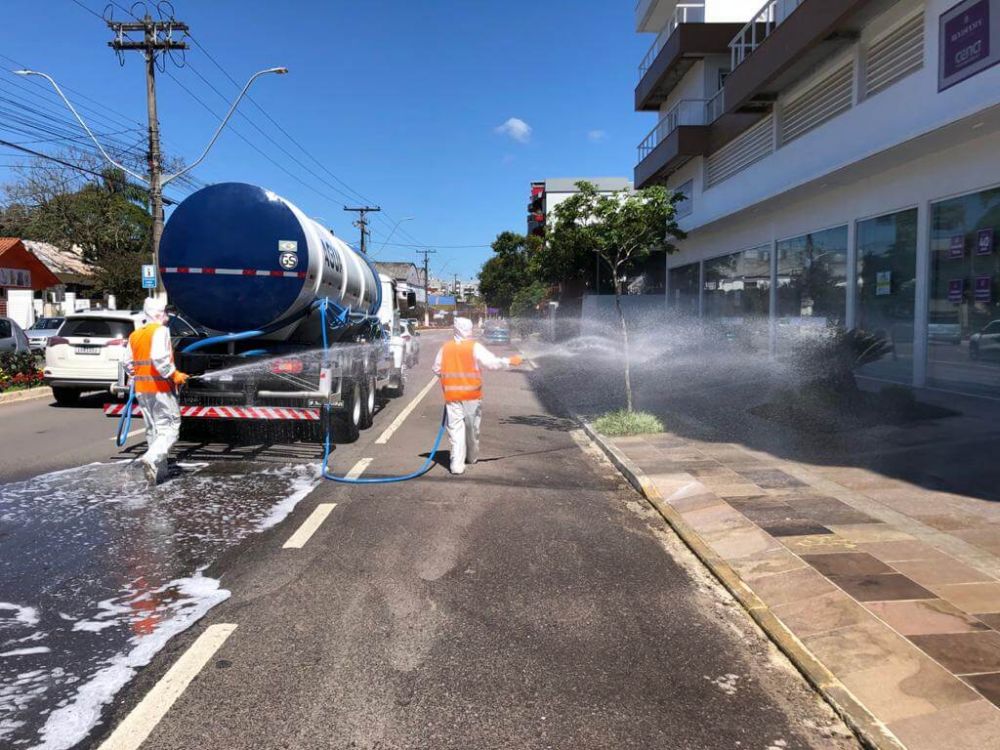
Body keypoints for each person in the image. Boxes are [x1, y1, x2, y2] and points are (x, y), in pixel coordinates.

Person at [433, 317, 522, 475]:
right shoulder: (474, 347)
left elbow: (437, 369)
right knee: (472, 429)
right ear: (468, 330)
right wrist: (510, 361)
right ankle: (471, 457)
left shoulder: (445, 348)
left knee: (456, 431)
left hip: (452, 396)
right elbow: (492, 363)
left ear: (455, 329)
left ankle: (456, 464)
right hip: (471, 396)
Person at [123, 298, 190, 484]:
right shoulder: (160, 331)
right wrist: (173, 374)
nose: (167, 317)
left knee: (154, 430)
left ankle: (157, 475)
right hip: (160, 388)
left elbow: (126, 362)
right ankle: (152, 458)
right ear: (158, 314)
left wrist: (135, 375)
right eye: (165, 313)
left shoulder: (135, 335)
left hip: (142, 390)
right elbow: (159, 357)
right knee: (170, 429)